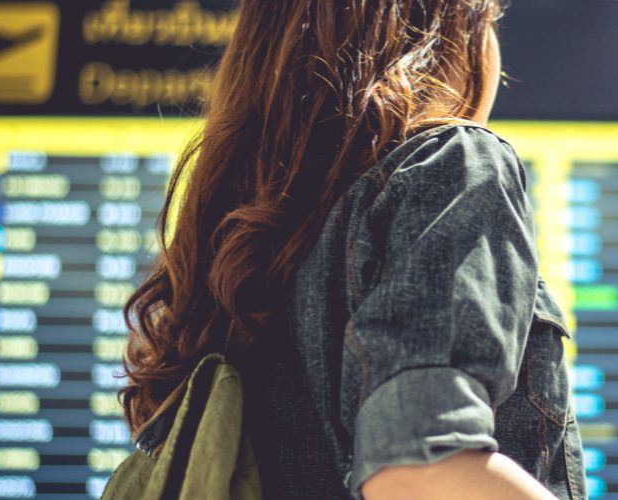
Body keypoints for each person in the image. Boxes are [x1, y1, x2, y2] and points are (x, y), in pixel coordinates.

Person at [117, 1, 583, 498]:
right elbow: (421, 469)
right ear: (447, 39)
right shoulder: (455, 161)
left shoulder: (240, 244)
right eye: (487, 26)